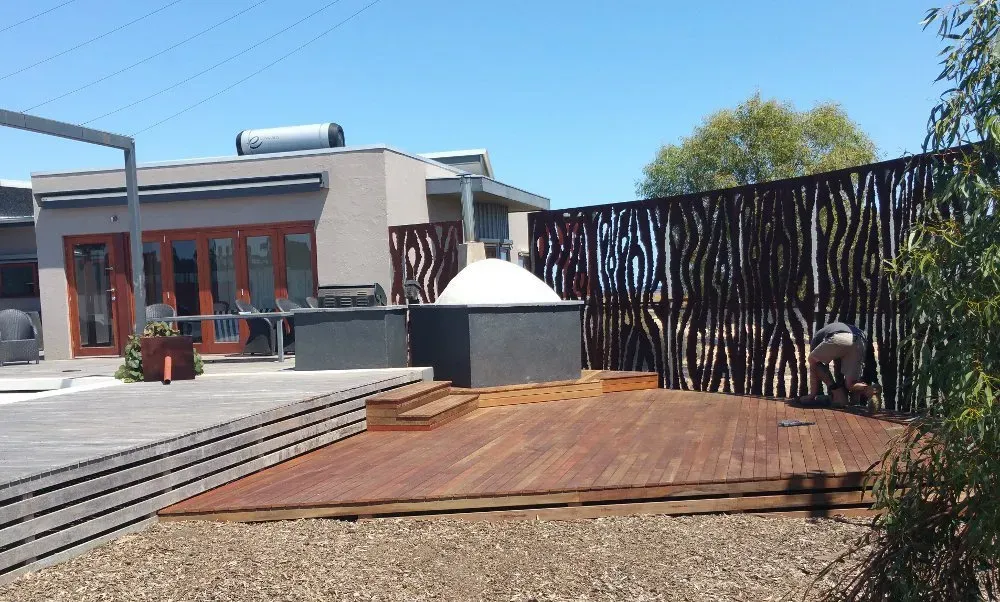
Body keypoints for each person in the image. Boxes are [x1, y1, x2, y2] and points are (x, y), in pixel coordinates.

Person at [798, 321, 880, 409]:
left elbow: (814, 365)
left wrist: (812, 394)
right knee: (850, 384)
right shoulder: (834, 328)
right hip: (860, 341)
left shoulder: (817, 338)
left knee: (812, 359)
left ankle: (836, 391)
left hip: (841, 337)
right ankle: (870, 389)